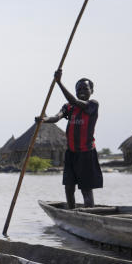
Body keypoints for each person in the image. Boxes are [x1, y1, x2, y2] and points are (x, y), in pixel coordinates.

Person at [36, 68, 102, 209]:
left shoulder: (92, 105)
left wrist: (59, 83)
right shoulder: (68, 107)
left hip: (86, 153)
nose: (82, 91)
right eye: (79, 89)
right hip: (71, 153)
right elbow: (56, 117)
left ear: (92, 91)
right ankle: (71, 213)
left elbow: (73, 100)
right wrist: (43, 119)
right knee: (69, 187)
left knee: (86, 189)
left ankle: (89, 214)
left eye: (85, 88)